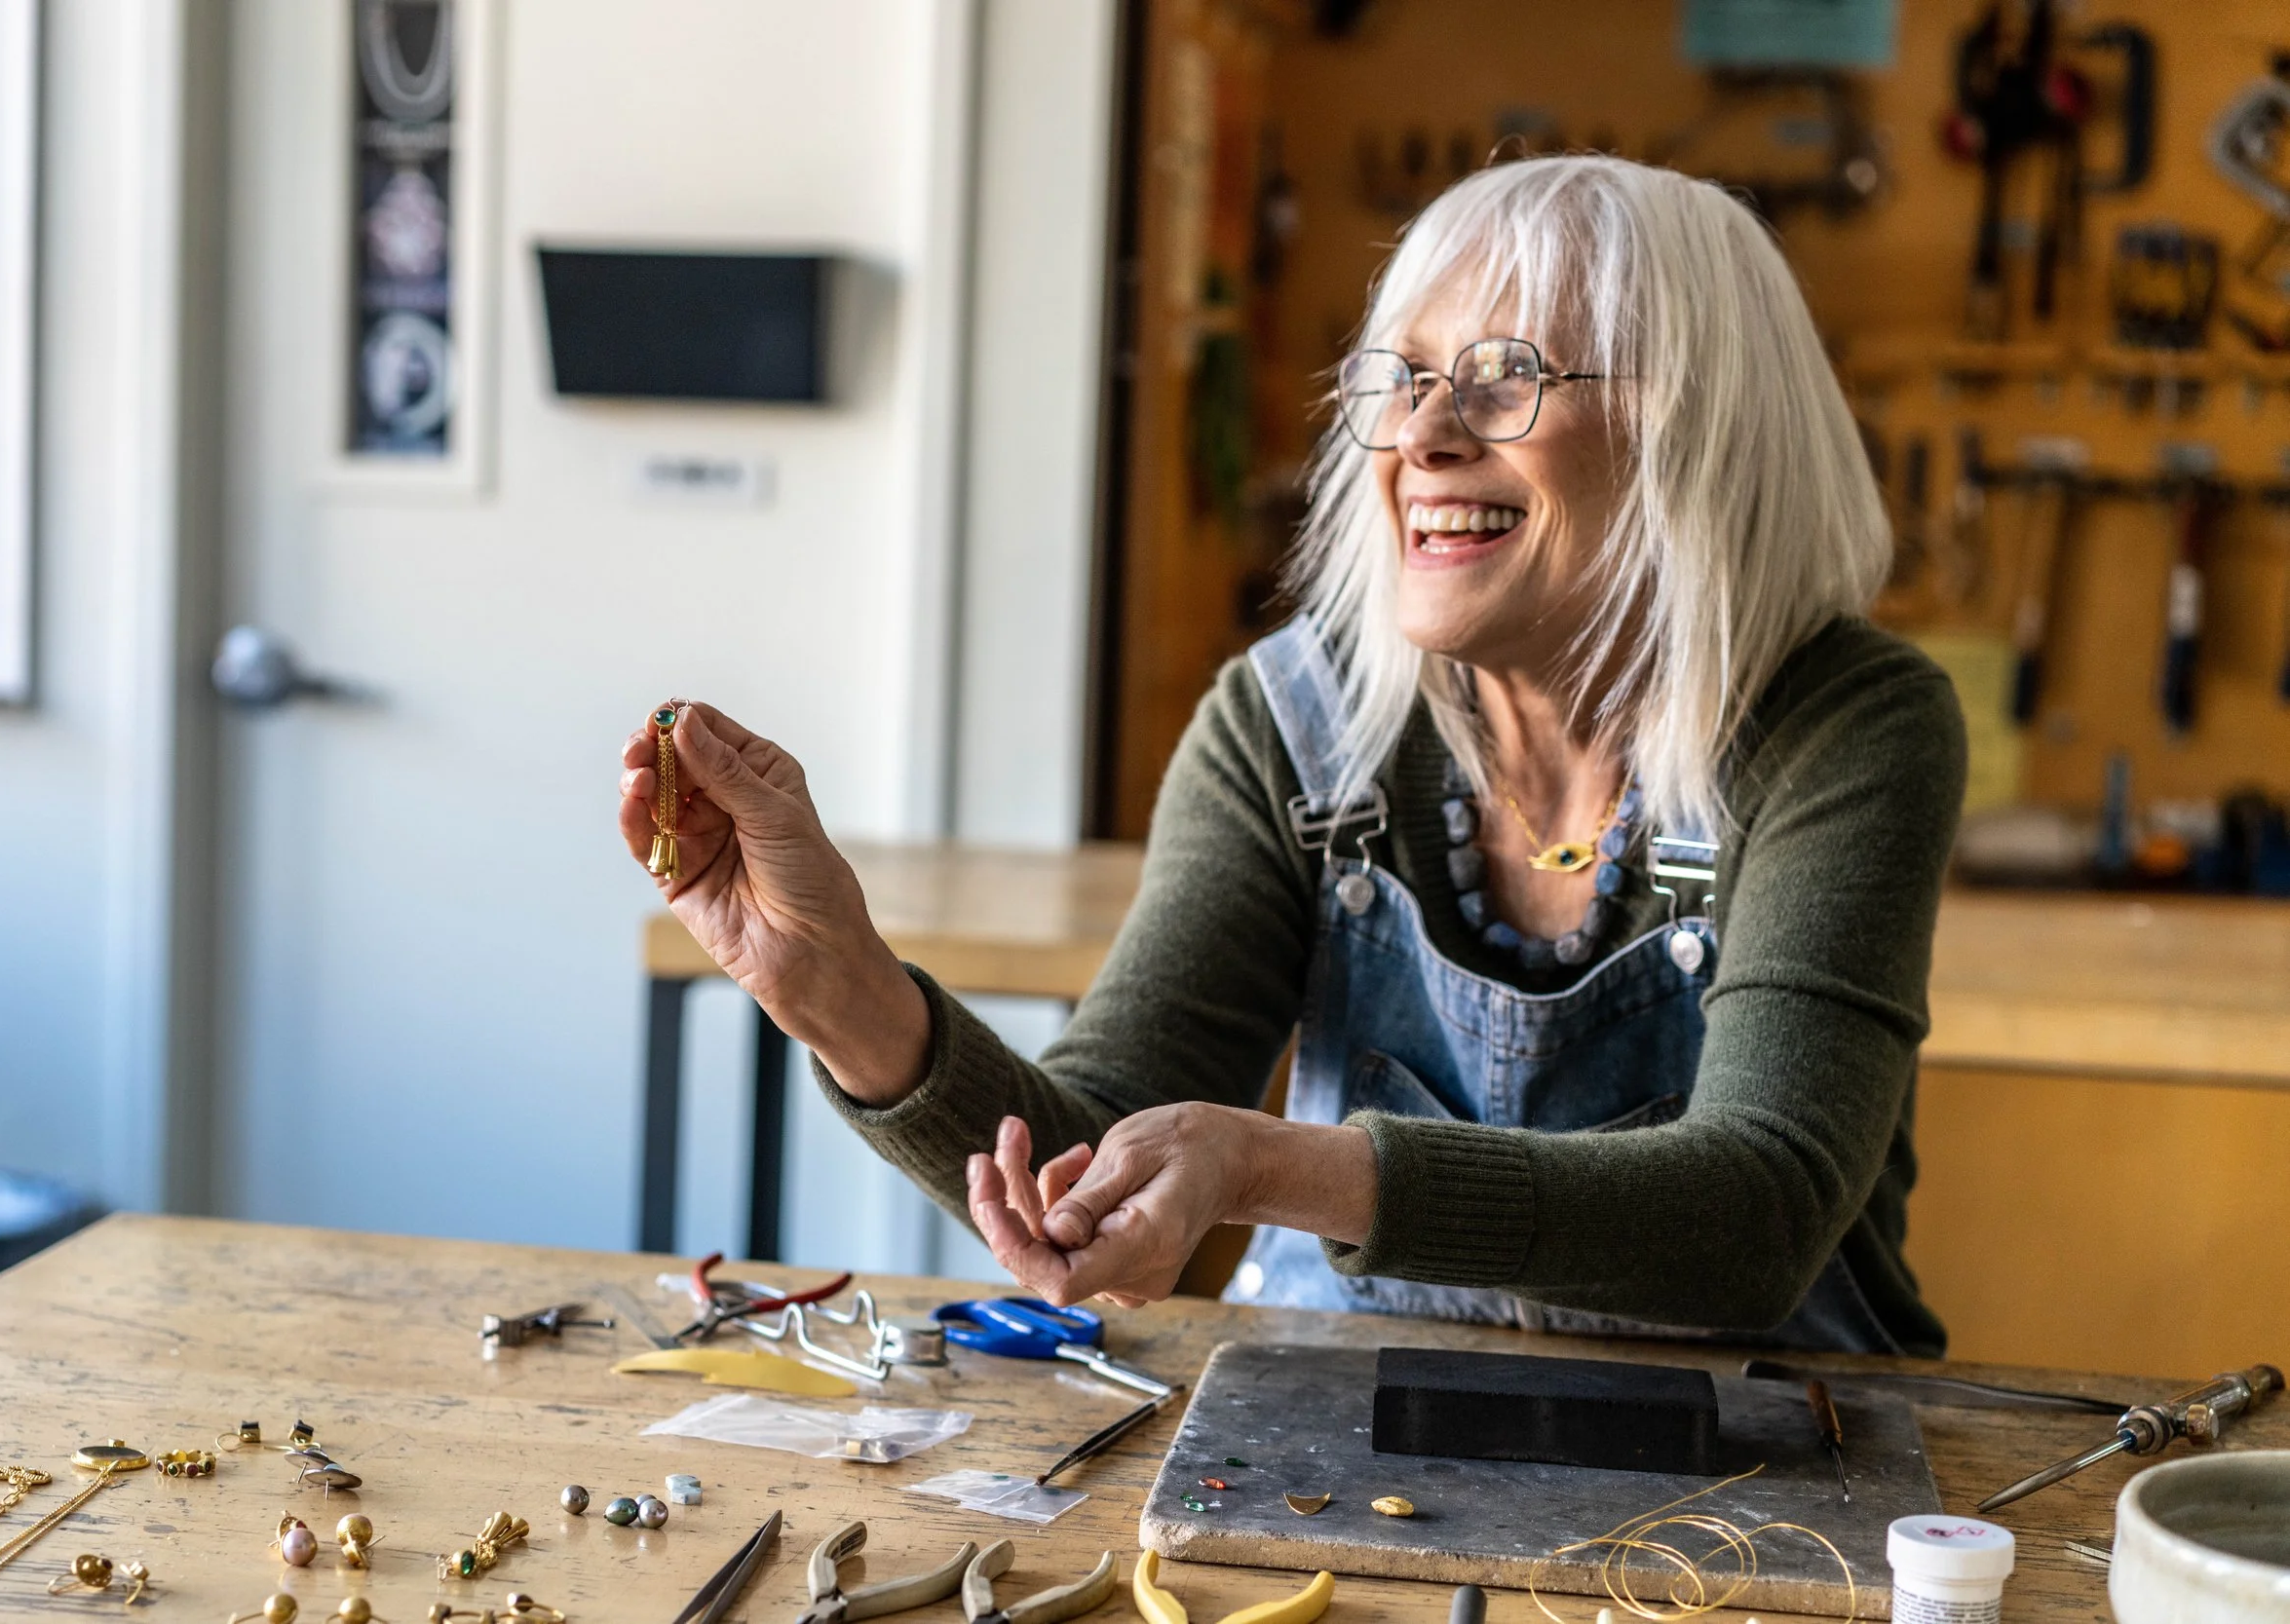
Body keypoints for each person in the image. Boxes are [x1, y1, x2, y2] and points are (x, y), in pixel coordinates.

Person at [615, 154, 1966, 1355]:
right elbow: (1085, 1149)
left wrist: (1267, 1164)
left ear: (1701, 427)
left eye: (1505, 376)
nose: (1425, 435)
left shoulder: (1845, 724)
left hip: (1768, 1470)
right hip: (1345, 1434)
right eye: (1405, 375)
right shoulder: (1289, 729)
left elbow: (1755, 1211)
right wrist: (843, 988)